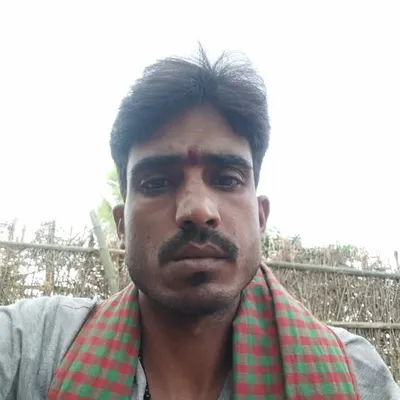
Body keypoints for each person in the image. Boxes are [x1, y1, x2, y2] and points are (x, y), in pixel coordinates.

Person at [0, 48, 399, 400]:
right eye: (156, 183)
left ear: (261, 217)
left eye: (227, 179)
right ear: (122, 225)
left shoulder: (358, 377)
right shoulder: (30, 348)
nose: (196, 209)